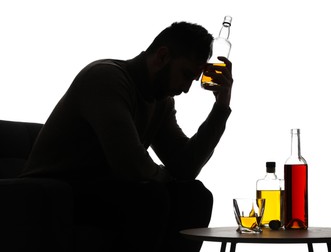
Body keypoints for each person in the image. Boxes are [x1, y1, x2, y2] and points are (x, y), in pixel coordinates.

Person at [20, 21, 233, 252]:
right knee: (150, 197)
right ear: (162, 57)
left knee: (195, 196)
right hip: (54, 190)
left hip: (105, 188)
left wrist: (221, 107)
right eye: (185, 75)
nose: (185, 89)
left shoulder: (160, 101)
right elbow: (130, 164)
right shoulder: (106, 78)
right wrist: (167, 178)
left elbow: (184, 166)